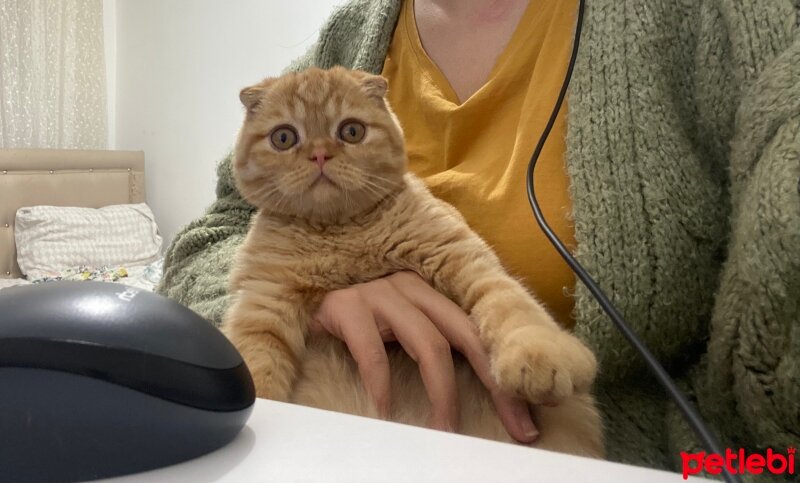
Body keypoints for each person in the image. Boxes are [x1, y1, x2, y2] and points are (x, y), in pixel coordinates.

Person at [159, 0, 800, 473]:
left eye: (349, 135)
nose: (322, 155)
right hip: (319, 449)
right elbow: (213, 234)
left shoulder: (717, 20)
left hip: (569, 449)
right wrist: (299, 297)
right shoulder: (352, 32)